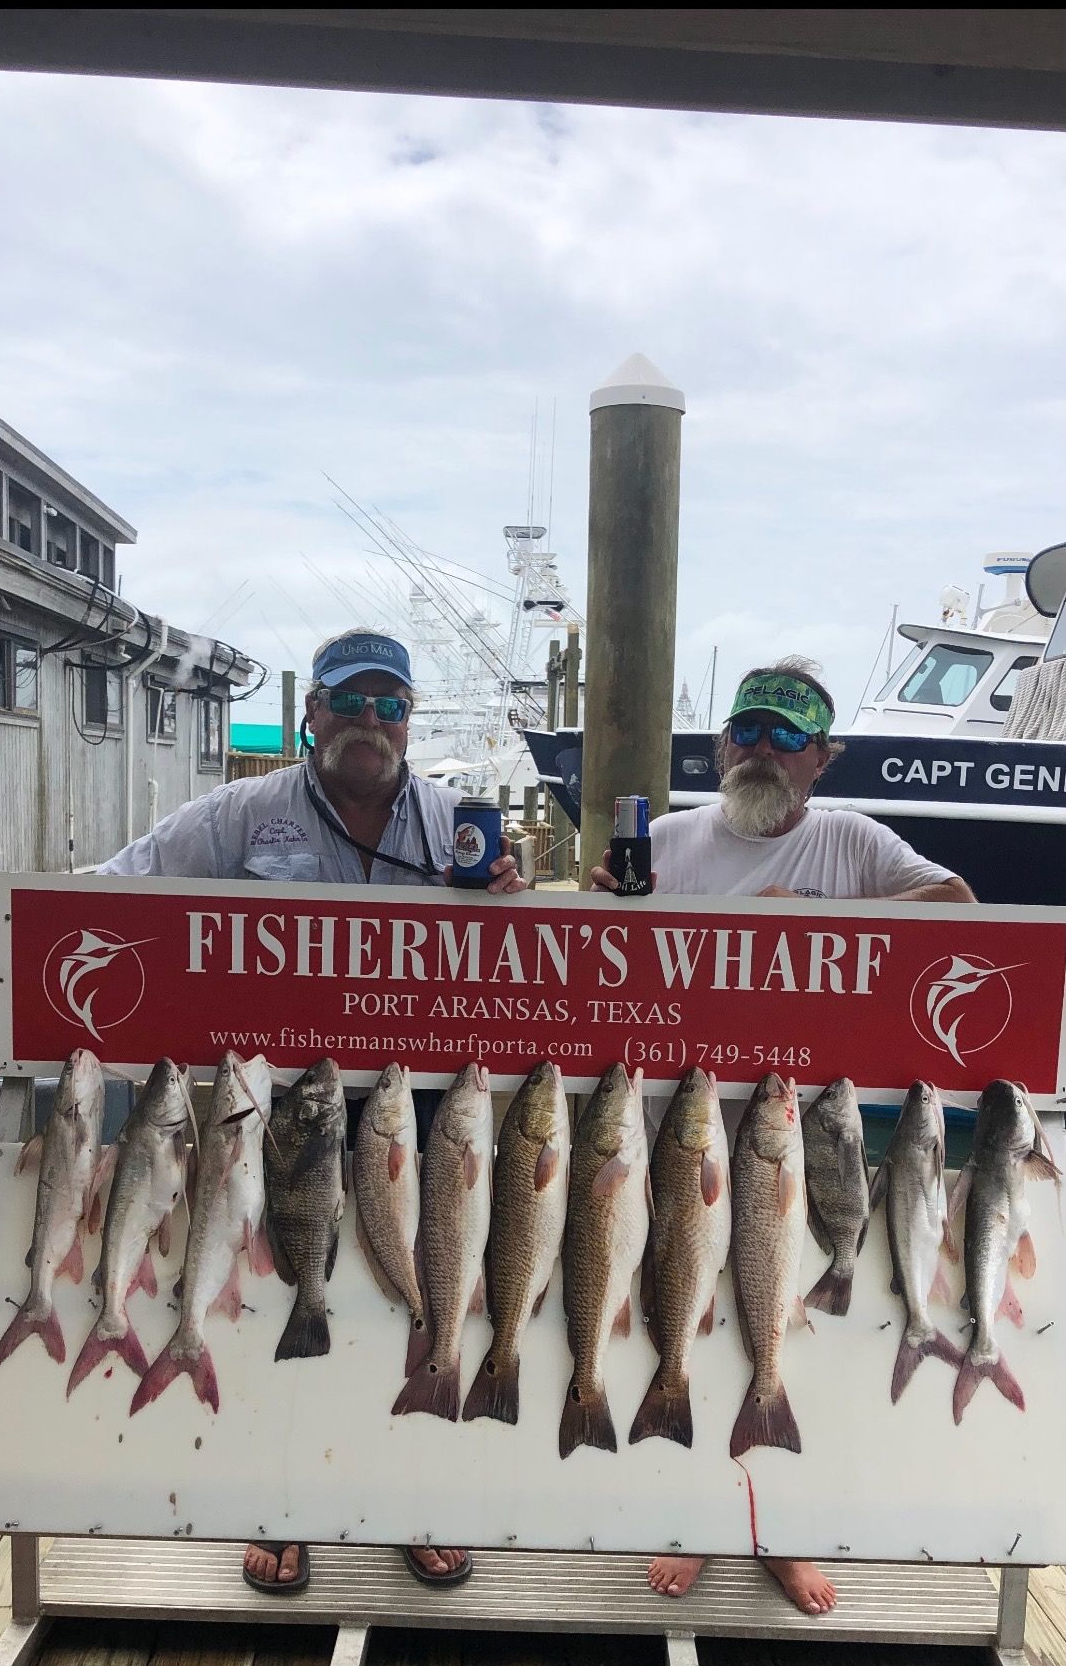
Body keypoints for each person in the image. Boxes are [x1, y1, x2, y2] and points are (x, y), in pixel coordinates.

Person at [99, 626, 526, 1595]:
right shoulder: (241, 817)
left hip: (414, 1116)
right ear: (312, 713)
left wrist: (511, 900)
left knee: (419, 1296)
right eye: (350, 702)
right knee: (276, 1298)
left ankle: (415, 1498)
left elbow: (520, 964)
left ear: (411, 724)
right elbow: (115, 896)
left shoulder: (460, 823)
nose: (369, 724)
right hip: (277, 1115)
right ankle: (279, 1505)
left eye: (391, 707)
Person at [591, 656, 974, 1616]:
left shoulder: (851, 843)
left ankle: (777, 1534)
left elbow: (959, 904)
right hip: (675, 1139)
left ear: (821, 758)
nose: (763, 750)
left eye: (787, 737)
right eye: (748, 732)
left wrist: (823, 918)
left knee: (784, 1333)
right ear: (722, 746)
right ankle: (690, 1524)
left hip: (794, 1150)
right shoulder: (667, 841)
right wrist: (603, 906)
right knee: (678, 1321)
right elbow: (596, 964)